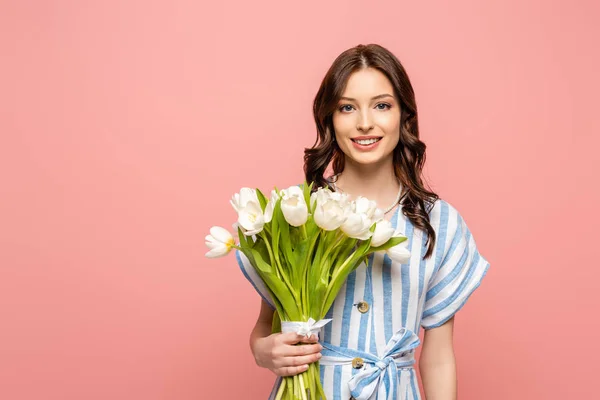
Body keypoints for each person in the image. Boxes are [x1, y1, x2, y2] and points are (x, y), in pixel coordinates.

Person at [236, 43, 490, 400]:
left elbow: (438, 357)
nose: (365, 122)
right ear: (330, 118)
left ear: (404, 116)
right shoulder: (296, 212)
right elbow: (264, 331)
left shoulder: (440, 223)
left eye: (382, 105)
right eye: (347, 107)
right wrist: (266, 353)